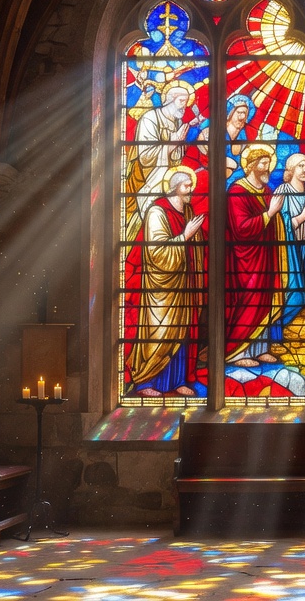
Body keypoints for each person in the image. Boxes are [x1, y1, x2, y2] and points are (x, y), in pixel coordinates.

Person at [125, 167, 205, 397]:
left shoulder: (188, 211)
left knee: (183, 333)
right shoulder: (156, 212)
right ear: (175, 187)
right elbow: (156, 252)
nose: (191, 190)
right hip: (161, 287)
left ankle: (178, 380)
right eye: (187, 186)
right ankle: (146, 382)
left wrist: (194, 236)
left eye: (191, 185)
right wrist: (185, 236)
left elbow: (195, 245)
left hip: (184, 283)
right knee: (159, 333)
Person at [225, 145, 283, 367]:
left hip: (265, 256)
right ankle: (238, 352)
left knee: (264, 300)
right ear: (251, 165)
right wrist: (270, 213)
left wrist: (274, 215)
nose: (267, 167)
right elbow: (241, 229)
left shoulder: (267, 191)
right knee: (248, 301)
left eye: (268, 162)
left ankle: (260, 348)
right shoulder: (237, 192)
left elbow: (273, 223)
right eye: (262, 163)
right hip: (245, 260)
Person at [125, 82, 201, 240]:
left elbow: (177, 157)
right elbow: (145, 157)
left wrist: (188, 133)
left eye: (186, 102)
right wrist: (173, 143)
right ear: (170, 100)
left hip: (170, 181)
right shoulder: (150, 118)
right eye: (181, 101)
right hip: (148, 179)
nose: (184, 106)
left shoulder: (178, 122)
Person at [272, 153, 305, 342]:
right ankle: (272, 329)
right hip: (287, 252)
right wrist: (302, 217)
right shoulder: (282, 191)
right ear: (291, 170)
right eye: (300, 166)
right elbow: (276, 226)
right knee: (296, 297)